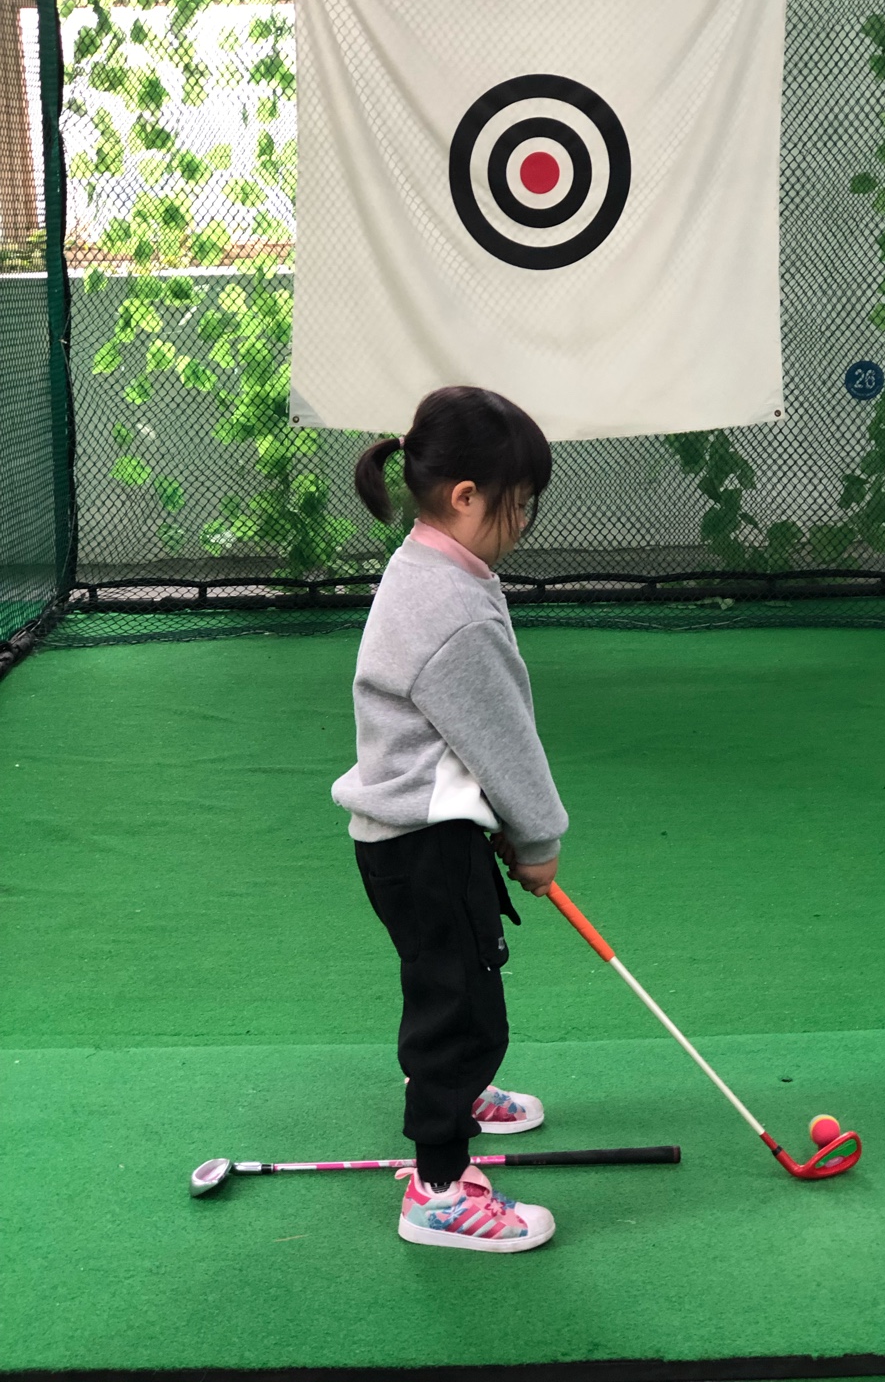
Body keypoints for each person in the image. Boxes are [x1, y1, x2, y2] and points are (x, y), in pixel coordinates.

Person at [333, 385, 568, 1253]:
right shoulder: (453, 609)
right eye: (519, 503)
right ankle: (437, 1191)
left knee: (447, 989)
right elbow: (503, 738)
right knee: (462, 1015)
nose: (524, 522)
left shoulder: (430, 564)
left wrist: (492, 818)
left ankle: (457, 1096)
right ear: (466, 496)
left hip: (413, 837)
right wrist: (536, 839)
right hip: (426, 845)